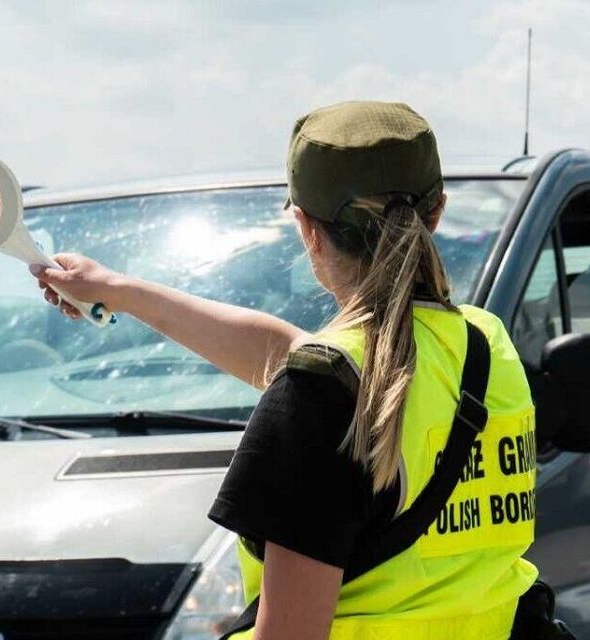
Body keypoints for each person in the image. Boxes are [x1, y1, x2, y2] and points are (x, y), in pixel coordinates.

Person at [31, 101, 539, 640]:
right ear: (436, 213)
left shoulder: (323, 393)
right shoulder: (487, 346)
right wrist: (122, 292)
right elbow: (299, 354)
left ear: (307, 229)